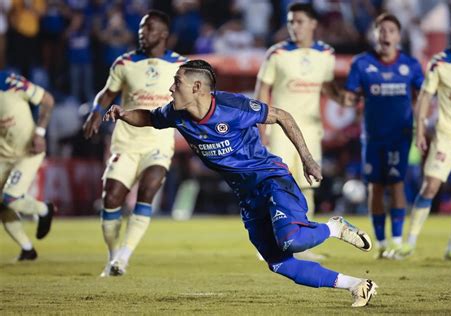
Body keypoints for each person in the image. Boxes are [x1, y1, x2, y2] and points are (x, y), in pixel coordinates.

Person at [104, 59, 378, 307]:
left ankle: (333, 227)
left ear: (197, 86)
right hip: (247, 197)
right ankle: (357, 285)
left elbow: (282, 115)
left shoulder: (232, 107)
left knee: (290, 240)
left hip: (271, 180)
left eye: (177, 82)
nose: (170, 88)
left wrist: (307, 159)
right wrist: (123, 113)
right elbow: (150, 118)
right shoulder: (176, 114)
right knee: (279, 263)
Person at [82, 10, 187, 277]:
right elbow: (107, 95)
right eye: (141, 27)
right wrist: (95, 114)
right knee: (111, 198)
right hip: (126, 143)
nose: (143, 32)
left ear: (163, 34)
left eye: (149, 28)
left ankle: (123, 258)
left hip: (159, 143)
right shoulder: (124, 62)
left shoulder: (182, 66)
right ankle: (112, 255)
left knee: (148, 189)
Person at [255, 2, 338, 260]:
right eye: (291, 21)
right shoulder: (277, 54)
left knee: (308, 185)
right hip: (279, 129)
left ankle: (303, 244)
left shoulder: (326, 54)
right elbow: (261, 91)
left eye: (299, 21)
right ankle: (269, 242)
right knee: (278, 183)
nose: (294, 26)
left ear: (314, 24)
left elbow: (327, 87)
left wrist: (345, 99)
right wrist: (261, 130)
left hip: (310, 130)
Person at [342, 13, 424, 259]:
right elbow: (350, 96)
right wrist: (345, 96)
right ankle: (379, 243)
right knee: (375, 187)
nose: (386, 34)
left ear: (399, 36)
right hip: (373, 136)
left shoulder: (410, 65)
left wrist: (421, 125)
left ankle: (397, 243)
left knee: (397, 183)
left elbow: (424, 95)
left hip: (399, 135)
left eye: (391, 30)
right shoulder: (362, 63)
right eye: (382, 30)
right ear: (375, 34)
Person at [398, 11, 451, 260]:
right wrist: (420, 130)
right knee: (430, 186)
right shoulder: (440, 62)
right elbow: (424, 97)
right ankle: (409, 242)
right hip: (447, 136)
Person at [0, 70, 55, 261]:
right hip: (3, 157)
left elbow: (47, 100)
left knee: (10, 199)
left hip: (29, 151)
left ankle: (45, 210)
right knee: (2, 206)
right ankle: (27, 249)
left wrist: (39, 133)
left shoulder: (9, 82)